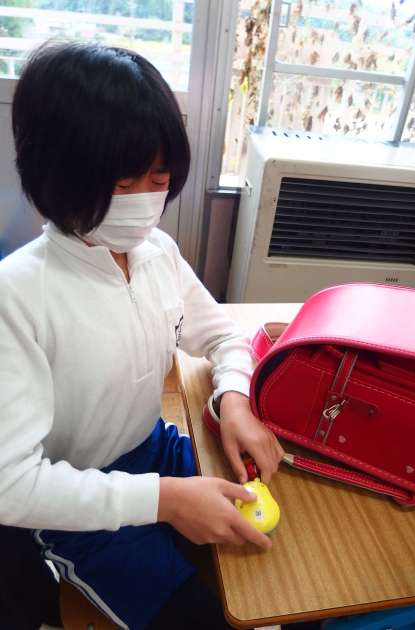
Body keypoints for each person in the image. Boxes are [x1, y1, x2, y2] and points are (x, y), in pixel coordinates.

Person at [0, 40, 284, 629]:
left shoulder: (157, 253)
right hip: (78, 501)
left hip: (153, 449)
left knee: (286, 545)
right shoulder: (17, 297)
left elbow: (224, 337)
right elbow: (11, 484)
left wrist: (234, 399)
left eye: (160, 178)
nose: (149, 202)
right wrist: (164, 501)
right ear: (61, 174)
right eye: (127, 180)